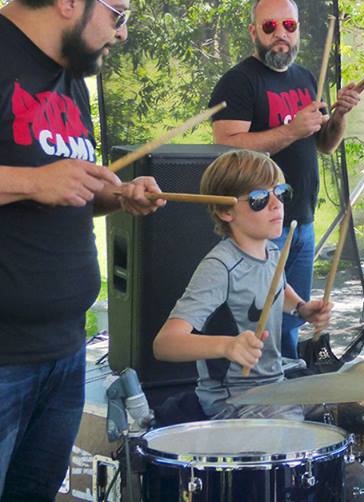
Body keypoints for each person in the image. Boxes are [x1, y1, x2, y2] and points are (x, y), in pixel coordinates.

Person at [0, 0, 164, 498]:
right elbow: (40, 182)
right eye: (118, 14)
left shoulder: (68, 75)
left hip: (65, 350)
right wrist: (32, 181)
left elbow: (64, 193)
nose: (122, 33)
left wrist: (115, 196)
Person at [209, 0, 364, 359]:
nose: (280, 33)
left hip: (301, 222)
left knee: (294, 318)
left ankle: (288, 382)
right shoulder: (238, 81)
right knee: (259, 324)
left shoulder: (308, 78)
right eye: (270, 26)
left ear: (297, 30)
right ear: (254, 31)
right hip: (259, 225)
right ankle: (258, 389)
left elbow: (325, 144)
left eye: (289, 26)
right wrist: (291, 130)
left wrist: (339, 116)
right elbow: (226, 147)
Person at [153, 150, 333, 420]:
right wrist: (227, 346)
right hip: (232, 401)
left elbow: (274, 289)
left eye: (280, 193)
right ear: (225, 211)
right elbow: (165, 344)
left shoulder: (272, 250)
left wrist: (302, 308)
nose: (276, 205)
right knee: (297, 431)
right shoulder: (220, 267)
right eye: (260, 199)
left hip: (275, 386)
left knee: (351, 406)